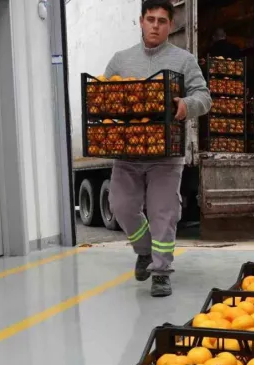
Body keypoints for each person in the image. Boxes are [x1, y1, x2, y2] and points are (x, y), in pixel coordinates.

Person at [103, 0, 212, 297]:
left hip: (166, 154)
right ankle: (145, 251)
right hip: (127, 153)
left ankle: (161, 271)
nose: (155, 25)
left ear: (170, 26)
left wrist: (185, 105)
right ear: (140, 21)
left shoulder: (184, 60)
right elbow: (103, 95)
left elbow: (204, 97)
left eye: (162, 21)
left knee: (163, 212)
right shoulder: (120, 60)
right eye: (150, 19)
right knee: (122, 207)